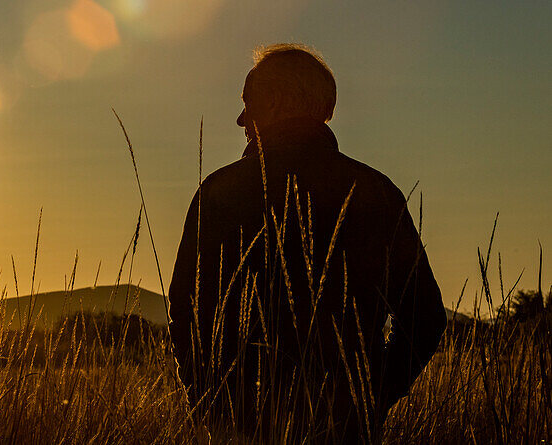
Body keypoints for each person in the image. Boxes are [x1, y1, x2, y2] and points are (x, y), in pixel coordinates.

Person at [168, 44, 445, 443]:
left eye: (248, 102)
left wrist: (211, 403)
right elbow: (424, 318)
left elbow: (188, 312)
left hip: (240, 428)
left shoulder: (221, 192)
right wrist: (368, 397)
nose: (241, 118)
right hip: (347, 430)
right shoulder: (374, 191)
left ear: (276, 102)